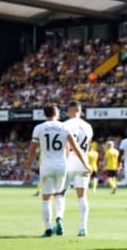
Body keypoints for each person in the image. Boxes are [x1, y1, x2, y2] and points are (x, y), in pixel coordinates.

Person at [23, 103, 91, 237]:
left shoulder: (40, 127)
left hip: (53, 164)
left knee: (50, 197)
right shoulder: (73, 127)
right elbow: (78, 147)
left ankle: (51, 225)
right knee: (76, 195)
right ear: (56, 113)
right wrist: (85, 163)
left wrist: (28, 169)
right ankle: (81, 227)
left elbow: (32, 150)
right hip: (67, 164)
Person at [54, 101, 94, 236]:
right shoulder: (88, 126)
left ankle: (59, 219)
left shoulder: (65, 125)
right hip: (83, 162)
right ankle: (83, 228)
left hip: (67, 162)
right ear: (80, 111)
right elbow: (87, 147)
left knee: (60, 193)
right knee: (82, 197)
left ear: (70, 111)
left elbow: (64, 145)